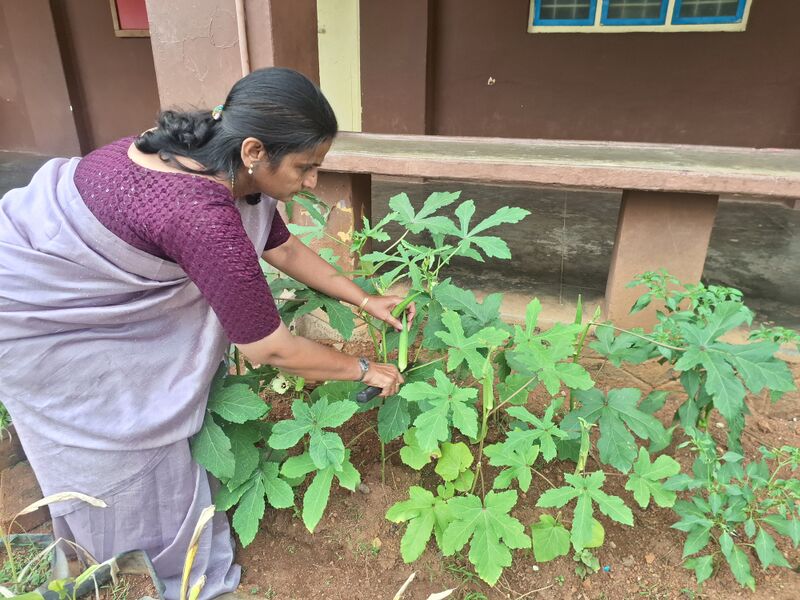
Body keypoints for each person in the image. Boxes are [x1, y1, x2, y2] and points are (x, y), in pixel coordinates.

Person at [0, 67, 410, 599]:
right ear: (255, 151)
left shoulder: (216, 158)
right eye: (306, 167)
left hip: (72, 286)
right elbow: (268, 348)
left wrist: (364, 298)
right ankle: (141, 559)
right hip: (40, 318)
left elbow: (282, 247)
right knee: (122, 439)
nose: (312, 182)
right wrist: (363, 369)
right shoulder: (198, 211)